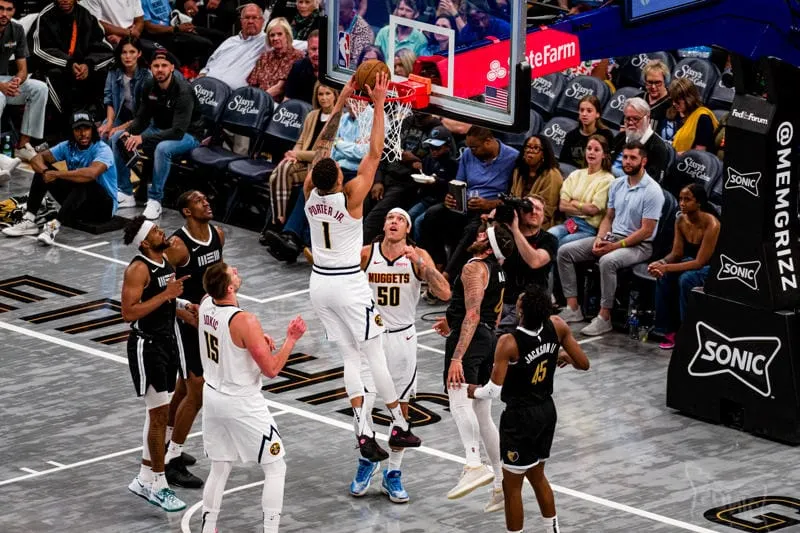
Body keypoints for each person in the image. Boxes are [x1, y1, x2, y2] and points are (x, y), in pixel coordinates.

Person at [303, 72, 422, 461]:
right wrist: (379, 103)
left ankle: (364, 432)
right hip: (348, 284)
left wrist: (340, 103)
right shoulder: (351, 196)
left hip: (319, 286)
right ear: (339, 177)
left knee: (351, 358)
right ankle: (399, 425)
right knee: (373, 356)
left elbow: (322, 146)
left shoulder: (309, 195)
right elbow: (374, 153)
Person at [468, 286, 590, 533]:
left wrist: (473, 391)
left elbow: (493, 391)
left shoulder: (509, 342)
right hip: (546, 412)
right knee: (536, 475)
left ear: (521, 311)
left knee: (512, 487)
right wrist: (562, 355)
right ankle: (552, 529)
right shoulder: (557, 325)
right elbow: (584, 364)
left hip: (520, 418)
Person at [350, 208, 452, 501]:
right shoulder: (366, 254)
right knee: (362, 405)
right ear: (383, 226)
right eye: (389, 219)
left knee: (402, 408)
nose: (393, 222)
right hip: (370, 337)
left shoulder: (418, 256)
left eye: (400, 220)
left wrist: (422, 265)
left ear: (408, 229)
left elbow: (445, 293)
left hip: (402, 338)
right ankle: (367, 460)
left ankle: (392, 472)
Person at [198, 262, 307, 533]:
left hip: (212, 396)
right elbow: (271, 370)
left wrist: (253, 339)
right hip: (241, 401)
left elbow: (224, 333)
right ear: (229, 287)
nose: (236, 269)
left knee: (220, 466)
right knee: (275, 467)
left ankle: (208, 527)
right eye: (231, 272)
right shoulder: (245, 321)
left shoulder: (205, 304)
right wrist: (291, 339)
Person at [432, 221, 515, 509]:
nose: (477, 234)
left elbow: (473, 313)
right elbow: (488, 311)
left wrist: (457, 356)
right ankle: (501, 482)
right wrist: (451, 319)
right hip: (489, 339)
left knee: (457, 397)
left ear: (488, 246)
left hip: (471, 339)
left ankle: (473, 464)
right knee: (482, 413)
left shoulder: (474, 267)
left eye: (483, 234)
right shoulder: (498, 270)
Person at [120, 216, 191, 512]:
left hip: (166, 342)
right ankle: (159, 486)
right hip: (146, 346)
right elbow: (128, 313)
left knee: (156, 415)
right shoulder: (138, 269)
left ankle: (144, 478)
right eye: (156, 230)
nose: (162, 231)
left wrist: (184, 308)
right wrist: (167, 295)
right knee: (159, 416)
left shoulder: (165, 262)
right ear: (145, 242)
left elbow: (165, 303)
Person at [557, 141, 664, 336]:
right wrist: (600, 238)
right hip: (612, 237)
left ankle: (604, 317)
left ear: (643, 161)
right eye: (625, 157)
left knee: (607, 261)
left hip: (639, 245)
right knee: (565, 251)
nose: (627, 161)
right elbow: (608, 217)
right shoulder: (617, 184)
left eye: (633, 158)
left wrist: (614, 246)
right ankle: (573, 307)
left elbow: (646, 231)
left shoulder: (653, 191)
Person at [158, 190, 225, 488]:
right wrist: (183, 312)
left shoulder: (218, 235)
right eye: (198, 201)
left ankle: (165, 443)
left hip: (206, 320)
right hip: (183, 322)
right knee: (197, 392)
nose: (206, 202)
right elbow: (159, 288)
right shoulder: (177, 246)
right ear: (186, 211)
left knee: (184, 387)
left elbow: (216, 278)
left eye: (206, 199)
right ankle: (172, 461)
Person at [2, 111, 117, 245]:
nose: (83, 133)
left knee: (84, 180)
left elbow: (91, 174)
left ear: (93, 130)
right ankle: (29, 219)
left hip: (103, 208)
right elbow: (36, 159)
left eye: (87, 128)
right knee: (42, 170)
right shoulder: (67, 146)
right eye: (78, 129)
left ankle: (53, 227)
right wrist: (45, 171)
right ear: (72, 131)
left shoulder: (102, 149)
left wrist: (56, 174)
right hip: (79, 204)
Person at [115, 48, 204, 219]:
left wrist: (142, 137)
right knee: (117, 137)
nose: (160, 69)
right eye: (156, 66)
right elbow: (142, 118)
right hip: (160, 129)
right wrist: (129, 132)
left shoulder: (183, 91)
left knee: (163, 148)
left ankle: (155, 200)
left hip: (188, 134)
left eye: (164, 65)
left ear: (172, 68)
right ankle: (126, 192)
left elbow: (177, 131)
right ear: (151, 68)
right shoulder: (149, 85)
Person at [419, 126, 517, 280]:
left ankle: (447, 276)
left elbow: (514, 195)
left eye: (474, 147)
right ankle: (438, 264)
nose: (471, 151)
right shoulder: (467, 154)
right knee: (432, 215)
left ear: (488, 142)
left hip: (490, 209)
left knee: (472, 229)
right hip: (465, 203)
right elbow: (459, 182)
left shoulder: (513, 157)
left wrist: (489, 204)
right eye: (470, 147)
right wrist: (451, 197)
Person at [648, 183, 719, 349]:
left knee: (686, 279)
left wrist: (667, 268)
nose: (682, 203)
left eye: (687, 199)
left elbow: (700, 262)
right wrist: (661, 263)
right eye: (680, 199)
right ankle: (666, 330)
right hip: (690, 260)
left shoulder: (712, 224)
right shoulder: (680, 220)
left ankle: (687, 331)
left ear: (699, 202)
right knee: (663, 275)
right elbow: (677, 253)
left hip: (713, 267)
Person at [28, 0, 113, 133]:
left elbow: (104, 48)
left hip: (82, 68)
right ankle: (65, 127)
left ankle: (95, 121)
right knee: (53, 76)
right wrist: (68, 64)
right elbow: (37, 50)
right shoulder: (46, 16)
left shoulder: (86, 15)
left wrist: (88, 65)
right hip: (56, 67)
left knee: (104, 70)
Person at [269, 82, 338, 227]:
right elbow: (300, 141)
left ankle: (277, 220)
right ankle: (280, 218)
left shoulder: (338, 120)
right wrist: (292, 157)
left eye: (328, 94)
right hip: (301, 162)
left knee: (278, 175)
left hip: (315, 166)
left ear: (335, 96)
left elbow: (322, 153)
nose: (324, 98)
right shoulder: (312, 115)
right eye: (320, 94)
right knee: (283, 168)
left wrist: (297, 154)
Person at [496, 195, 558, 333]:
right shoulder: (504, 235)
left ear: (543, 215)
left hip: (529, 305)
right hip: (502, 301)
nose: (534, 212)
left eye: (538, 209)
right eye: (528, 208)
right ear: (519, 212)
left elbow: (535, 262)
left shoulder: (549, 240)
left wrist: (515, 230)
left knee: (498, 335)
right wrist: (492, 222)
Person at [0, 0, 47, 162]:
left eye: (9, 9)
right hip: (1, 85)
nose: (4, 14)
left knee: (39, 88)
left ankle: (22, 146)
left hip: (5, 80)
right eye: (0, 9)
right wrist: (1, 86)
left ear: (14, 11)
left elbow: (23, 69)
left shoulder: (17, 30)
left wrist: (16, 82)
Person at [548, 134, 615, 246]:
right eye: (589, 148)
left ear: (604, 155)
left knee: (563, 244)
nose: (591, 152)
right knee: (549, 236)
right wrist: (585, 209)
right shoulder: (575, 174)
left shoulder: (608, 179)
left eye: (596, 150)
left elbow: (593, 210)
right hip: (569, 223)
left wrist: (574, 203)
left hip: (588, 228)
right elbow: (563, 206)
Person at [198, 4, 266, 90]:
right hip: (206, 87)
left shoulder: (266, 41)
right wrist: (202, 75)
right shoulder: (230, 41)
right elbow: (210, 64)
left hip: (232, 94)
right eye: (247, 18)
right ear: (241, 21)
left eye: (254, 17)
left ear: (262, 21)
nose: (250, 21)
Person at [98, 37, 151, 144]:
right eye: (124, 52)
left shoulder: (147, 76)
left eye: (132, 52)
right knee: (102, 134)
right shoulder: (113, 72)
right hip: (121, 116)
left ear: (139, 54)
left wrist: (118, 128)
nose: (128, 56)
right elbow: (109, 100)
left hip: (142, 121)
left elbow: (144, 115)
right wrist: (109, 123)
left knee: (115, 137)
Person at [140, 0, 217, 70]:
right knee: (206, 44)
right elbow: (149, 28)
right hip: (161, 35)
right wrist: (176, 29)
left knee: (216, 36)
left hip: (174, 27)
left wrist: (184, 22)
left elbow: (171, 14)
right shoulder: (142, 2)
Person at [610, 97, 670, 182]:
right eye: (628, 119)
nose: (631, 123)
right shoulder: (620, 137)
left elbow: (649, 182)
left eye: (636, 119)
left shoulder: (658, 148)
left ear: (648, 118)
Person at [509, 135, 562, 230]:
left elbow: (547, 211)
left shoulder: (552, 175)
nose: (530, 151)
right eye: (528, 147)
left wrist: (520, 220)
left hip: (539, 224)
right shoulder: (519, 171)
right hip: (516, 218)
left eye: (536, 148)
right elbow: (512, 197)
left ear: (543, 154)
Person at [247, 17, 304, 100]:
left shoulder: (296, 56)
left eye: (279, 34)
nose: (275, 38)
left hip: (278, 103)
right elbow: (252, 84)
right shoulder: (264, 57)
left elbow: (279, 88)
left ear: (287, 35)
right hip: (257, 99)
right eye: (272, 35)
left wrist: (258, 100)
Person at [559, 95, 614, 169]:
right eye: (582, 110)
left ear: (597, 114)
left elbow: (609, 162)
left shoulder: (606, 135)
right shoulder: (571, 136)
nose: (584, 114)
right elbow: (564, 163)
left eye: (589, 111)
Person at [667, 77, 718, 154]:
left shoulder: (703, 118)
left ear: (689, 98)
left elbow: (700, 153)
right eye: (672, 99)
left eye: (677, 100)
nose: (674, 103)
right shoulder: (674, 112)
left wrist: (674, 155)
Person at [283, 30, 320, 103]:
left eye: (321, 49)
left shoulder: (334, 72)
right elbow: (288, 98)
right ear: (307, 49)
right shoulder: (298, 67)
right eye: (313, 49)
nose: (317, 54)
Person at [338, 0, 374, 68]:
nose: (338, 16)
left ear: (352, 12)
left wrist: (342, 37)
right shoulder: (336, 21)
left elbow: (357, 63)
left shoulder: (363, 30)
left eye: (341, 13)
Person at [641, 60, 672, 136]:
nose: (653, 87)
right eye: (650, 82)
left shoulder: (673, 104)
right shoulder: (638, 99)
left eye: (658, 82)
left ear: (665, 81)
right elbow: (624, 129)